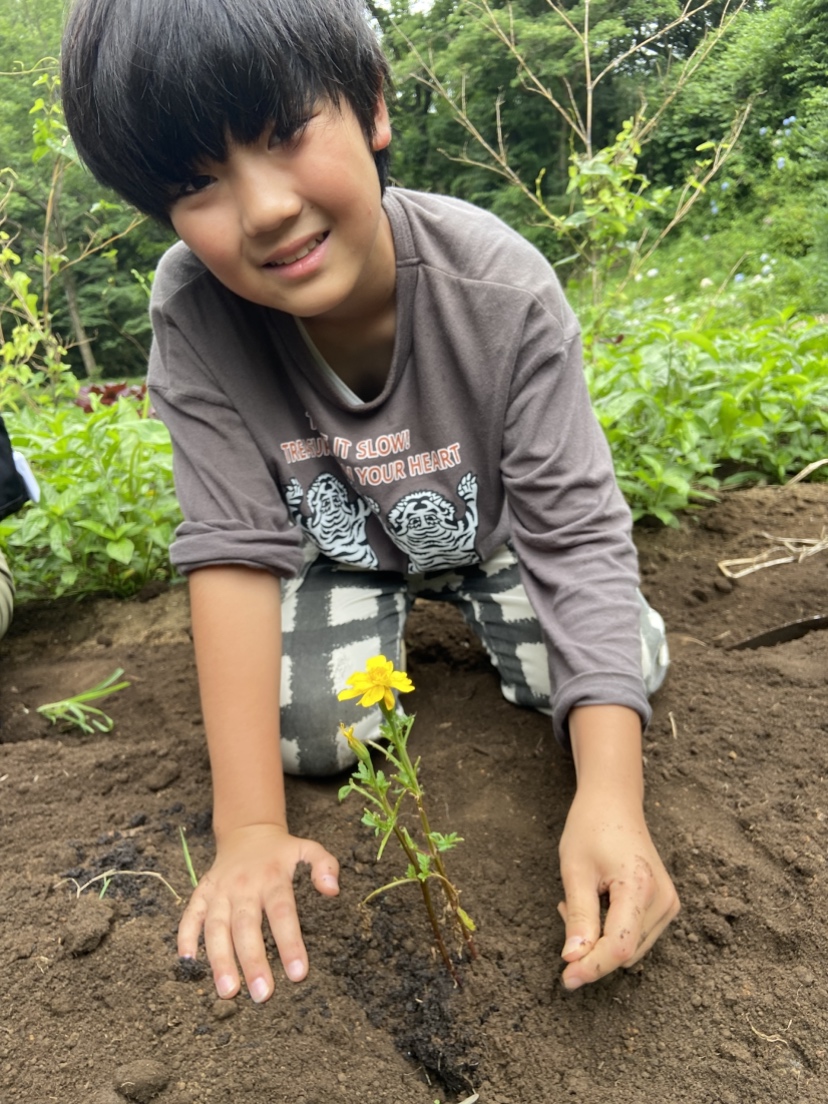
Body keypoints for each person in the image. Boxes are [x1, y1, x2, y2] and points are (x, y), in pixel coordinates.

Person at [61, 0, 680, 1004]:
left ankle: (495, 628)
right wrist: (248, 829)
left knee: (617, 671)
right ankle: (380, 614)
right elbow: (231, 548)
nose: (263, 207)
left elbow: (576, 532)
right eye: (196, 182)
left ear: (373, 106)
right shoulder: (196, 313)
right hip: (341, 553)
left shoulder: (498, 287)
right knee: (311, 732)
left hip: (500, 537)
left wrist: (611, 799)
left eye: (282, 133)